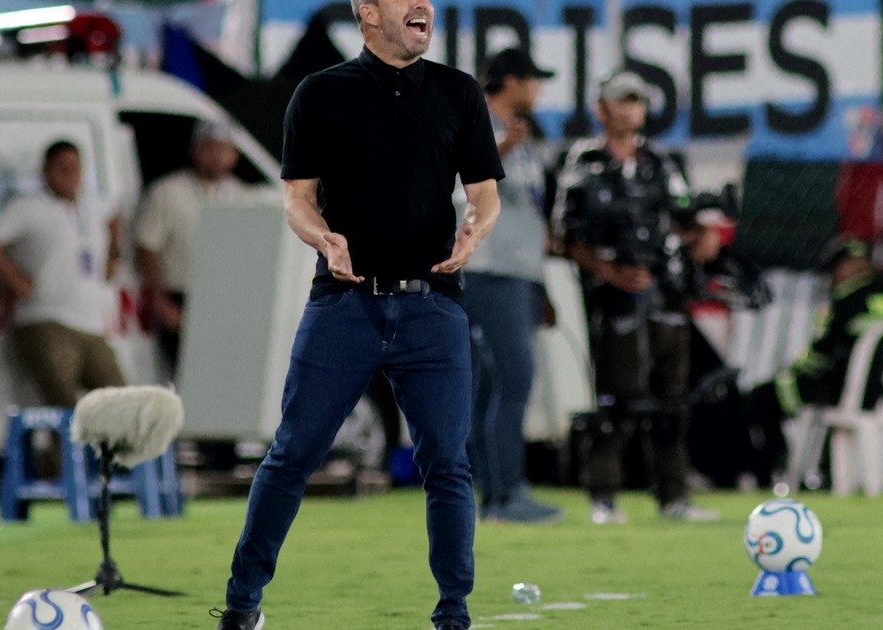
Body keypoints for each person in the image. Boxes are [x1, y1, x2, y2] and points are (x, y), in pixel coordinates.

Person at [213, 0, 503, 628]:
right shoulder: (319, 93)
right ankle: (241, 605)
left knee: (448, 464)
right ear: (368, 12)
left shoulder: (458, 92)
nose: (423, 5)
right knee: (292, 454)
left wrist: (475, 228)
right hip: (344, 304)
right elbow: (297, 198)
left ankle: (454, 615)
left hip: (432, 306)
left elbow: (484, 192)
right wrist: (324, 238)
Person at [551, 71, 718, 525]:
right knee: (617, 399)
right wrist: (610, 272)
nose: (629, 110)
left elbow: (685, 217)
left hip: (666, 294)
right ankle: (603, 497)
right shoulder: (583, 162)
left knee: (672, 399)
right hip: (613, 301)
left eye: (636, 101)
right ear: (601, 109)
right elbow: (564, 235)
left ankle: (674, 498)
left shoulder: (661, 162)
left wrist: (703, 236)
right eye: (621, 101)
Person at [462, 48, 560, 524]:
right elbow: (456, 179)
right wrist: (501, 148)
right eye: (533, 80)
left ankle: (492, 495)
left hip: (519, 271)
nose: (538, 90)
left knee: (490, 382)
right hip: (490, 268)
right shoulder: (476, 121)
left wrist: (543, 285)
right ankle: (507, 492)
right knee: (514, 376)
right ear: (513, 82)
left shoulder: (522, 133)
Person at [742, 236, 883, 488]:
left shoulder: (848, 299)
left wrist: (793, 369)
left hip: (845, 390)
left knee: (761, 398)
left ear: (844, 267)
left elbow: (821, 354)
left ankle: (772, 474)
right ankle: (825, 473)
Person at [0, 140, 125, 408]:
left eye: (75, 167)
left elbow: (114, 214)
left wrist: (114, 255)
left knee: (122, 401)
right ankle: (62, 439)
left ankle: (106, 439)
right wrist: (15, 279)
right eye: (62, 167)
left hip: (91, 323)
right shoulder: (27, 207)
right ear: (45, 171)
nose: (70, 174)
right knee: (65, 405)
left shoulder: (92, 204)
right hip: (46, 320)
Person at [134, 119, 251, 378]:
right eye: (210, 148)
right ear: (195, 150)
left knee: (224, 376)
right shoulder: (167, 192)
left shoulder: (241, 197)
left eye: (224, 149)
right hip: (180, 298)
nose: (217, 157)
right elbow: (145, 248)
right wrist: (160, 301)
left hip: (224, 300)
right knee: (188, 375)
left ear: (234, 156)